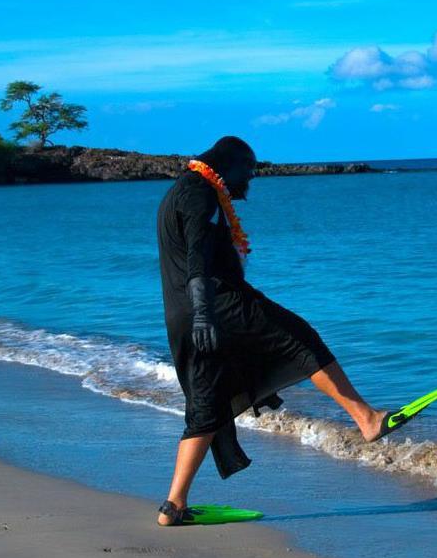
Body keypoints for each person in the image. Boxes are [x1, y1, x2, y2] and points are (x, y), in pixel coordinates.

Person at [155, 136, 395, 526]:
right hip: (217, 305)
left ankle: (174, 505)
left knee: (207, 400)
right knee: (300, 338)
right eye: (248, 171)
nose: (250, 180)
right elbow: (197, 255)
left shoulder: (180, 190)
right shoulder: (200, 194)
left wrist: (197, 313)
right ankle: (366, 418)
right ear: (228, 164)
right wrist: (205, 313)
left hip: (182, 312)